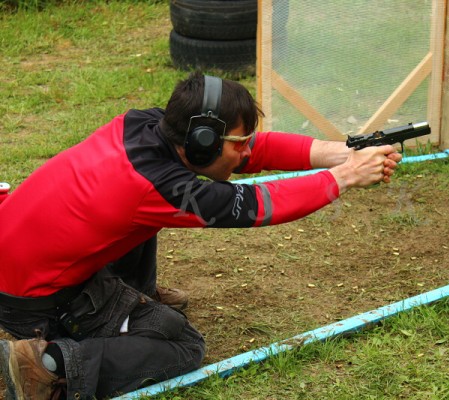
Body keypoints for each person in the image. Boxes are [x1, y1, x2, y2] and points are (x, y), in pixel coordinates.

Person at [0, 71, 401, 400]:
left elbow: (256, 150)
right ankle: (45, 365)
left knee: (137, 221)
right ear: (201, 142)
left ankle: (131, 297)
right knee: (183, 346)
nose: (247, 152)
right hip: (35, 301)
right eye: (238, 143)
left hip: (21, 260)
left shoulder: (145, 125)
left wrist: (341, 153)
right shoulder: (157, 186)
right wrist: (345, 177)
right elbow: (260, 204)